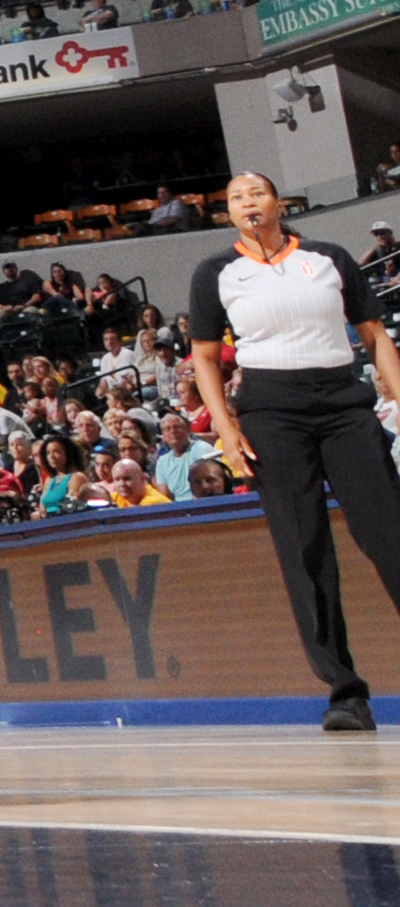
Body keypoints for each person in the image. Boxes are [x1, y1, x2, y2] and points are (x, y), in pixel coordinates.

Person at [186, 171, 400, 729]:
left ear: (279, 202)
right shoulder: (216, 272)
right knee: (304, 550)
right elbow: (206, 356)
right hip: (271, 413)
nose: (247, 203)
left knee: (389, 534)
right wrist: (227, 426)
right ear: (229, 213)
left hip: (344, 403)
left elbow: (374, 333)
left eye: (255, 193)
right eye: (235, 198)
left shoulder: (328, 257)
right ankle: (345, 692)